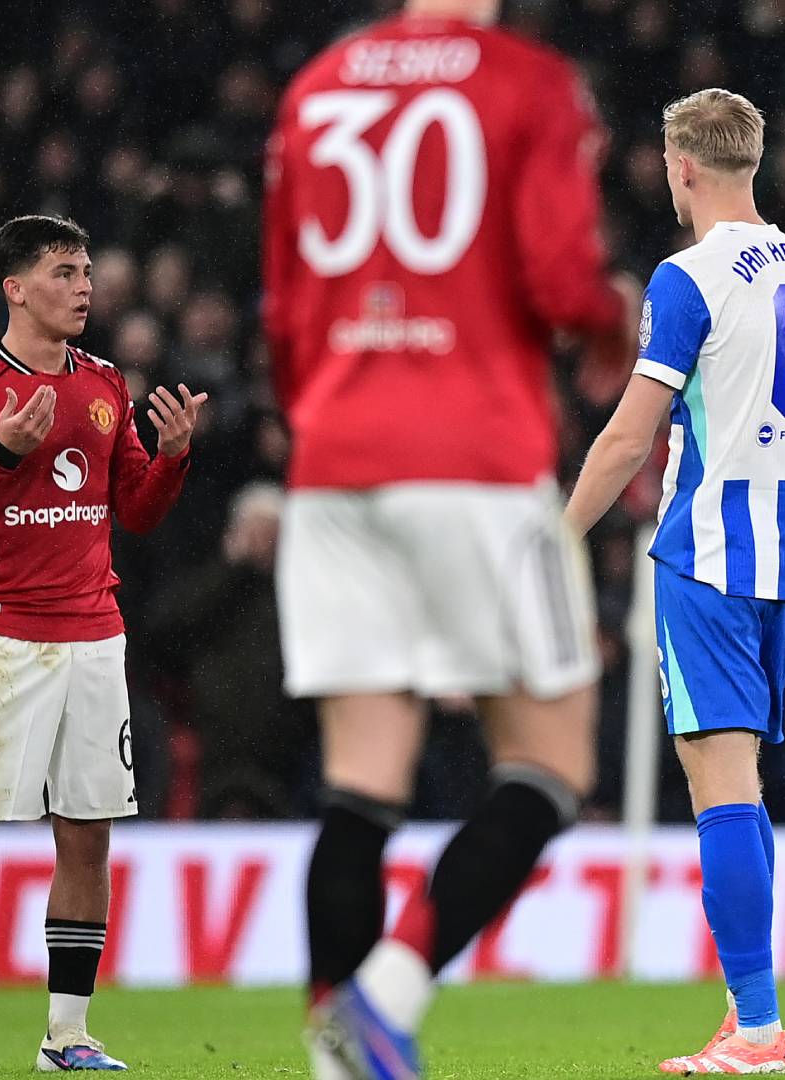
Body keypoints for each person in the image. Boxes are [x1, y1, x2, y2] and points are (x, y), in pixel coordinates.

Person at [261, 0, 638, 1076]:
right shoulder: (527, 81)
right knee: (551, 765)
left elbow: (283, 314)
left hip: (335, 463)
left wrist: (330, 413)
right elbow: (557, 276)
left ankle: (334, 1056)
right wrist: (609, 321)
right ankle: (385, 996)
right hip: (476, 460)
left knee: (361, 781)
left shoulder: (316, 86)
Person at [564, 87, 785, 1076]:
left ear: (683, 168)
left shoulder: (687, 278)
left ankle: (756, 1026)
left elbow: (630, 436)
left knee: (721, 787)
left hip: (708, 561)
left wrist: (553, 541)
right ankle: (753, 1016)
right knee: (741, 784)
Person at [0, 215, 206, 1073]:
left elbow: (134, 510)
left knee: (87, 836)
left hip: (95, 638)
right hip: (3, 639)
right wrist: (1, 452)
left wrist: (172, 458)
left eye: (87, 271)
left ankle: (66, 1035)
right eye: (65, 272)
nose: (84, 287)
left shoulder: (104, 382)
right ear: (15, 287)